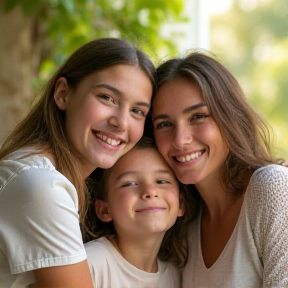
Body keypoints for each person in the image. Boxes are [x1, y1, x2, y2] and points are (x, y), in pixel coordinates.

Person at [0, 38, 155, 288]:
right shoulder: (41, 186)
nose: (122, 123)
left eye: (137, 111)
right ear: (63, 95)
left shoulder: (53, 179)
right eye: (107, 98)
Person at [150, 51, 288, 287]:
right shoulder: (184, 225)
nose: (180, 139)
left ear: (229, 117)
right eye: (164, 124)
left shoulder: (272, 188)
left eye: (198, 116)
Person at [84, 137, 196, 288]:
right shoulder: (90, 264)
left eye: (162, 181)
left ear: (181, 204)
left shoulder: (176, 274)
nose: (150, 192)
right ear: (104, 209)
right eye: (130, 183)